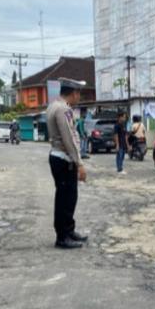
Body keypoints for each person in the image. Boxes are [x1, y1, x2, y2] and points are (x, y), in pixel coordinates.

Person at [46, 78, 88, 249]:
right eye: (79, 94)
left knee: (68, 197)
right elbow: (69, 138)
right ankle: (62, 236)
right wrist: (80, 163)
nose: (79, 97)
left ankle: (68, 231)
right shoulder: (63, 109)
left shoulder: (53, 105)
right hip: (64, 158)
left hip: (59, 157)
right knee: (65, 198)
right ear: (74, 93)